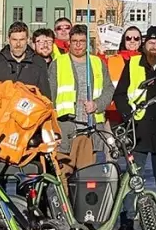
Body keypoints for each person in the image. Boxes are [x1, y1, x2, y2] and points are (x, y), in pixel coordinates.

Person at [113, 26, 156, 230]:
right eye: (151, 43)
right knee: (132, 179)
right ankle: (127, 222)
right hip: (138, 130)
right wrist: (127, 115)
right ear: (144, 44)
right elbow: (120, 95)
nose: (155, 47)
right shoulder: (133, 64)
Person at [49, 25, 114, 155]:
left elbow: (109, 89)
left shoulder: (97, 62)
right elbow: (50, 95)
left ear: (87, 42)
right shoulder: (58, 63)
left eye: (82, 41)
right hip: (66, 129)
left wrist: (97, 104)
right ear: (69, 42)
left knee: (88, 173)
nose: (78, 45)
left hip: (91, 129)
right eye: (75, 41)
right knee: (65, 174)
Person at [0, 22, 46, 91]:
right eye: (14, 40)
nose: (18, 44)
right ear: (8, 40)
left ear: (28, 40)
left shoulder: (39, 63)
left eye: (22, 40)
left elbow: (45, 98)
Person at [29, 28, 57, 99]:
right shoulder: (27, 66)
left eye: (49, 42)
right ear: (33, 45)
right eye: (41, 42)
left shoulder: (59, 65)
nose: (45, 45)